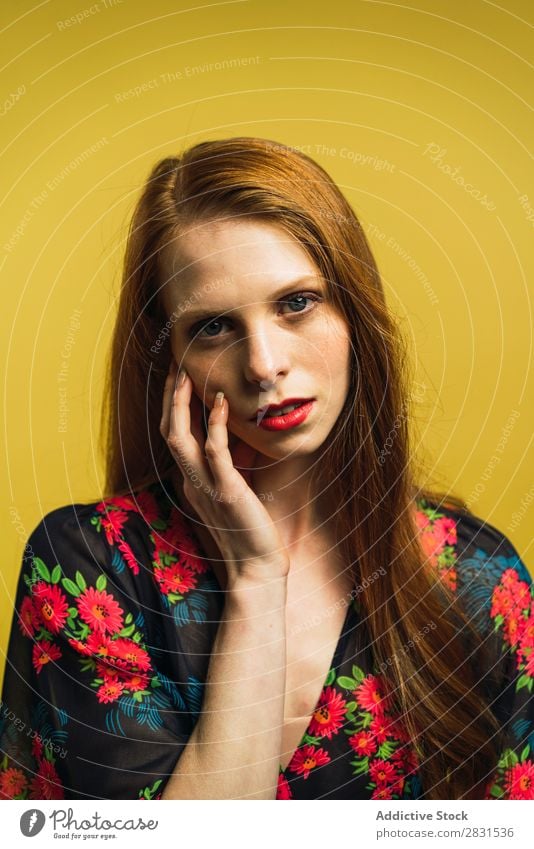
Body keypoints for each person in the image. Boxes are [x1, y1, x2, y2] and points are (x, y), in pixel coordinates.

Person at [1, 137, 532, 801]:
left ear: (355, 312)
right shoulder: (91, 567)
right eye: (215, 326)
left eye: (297, 303)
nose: (263, 363)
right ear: (173, 361)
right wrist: (256, 581)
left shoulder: (475, 581)